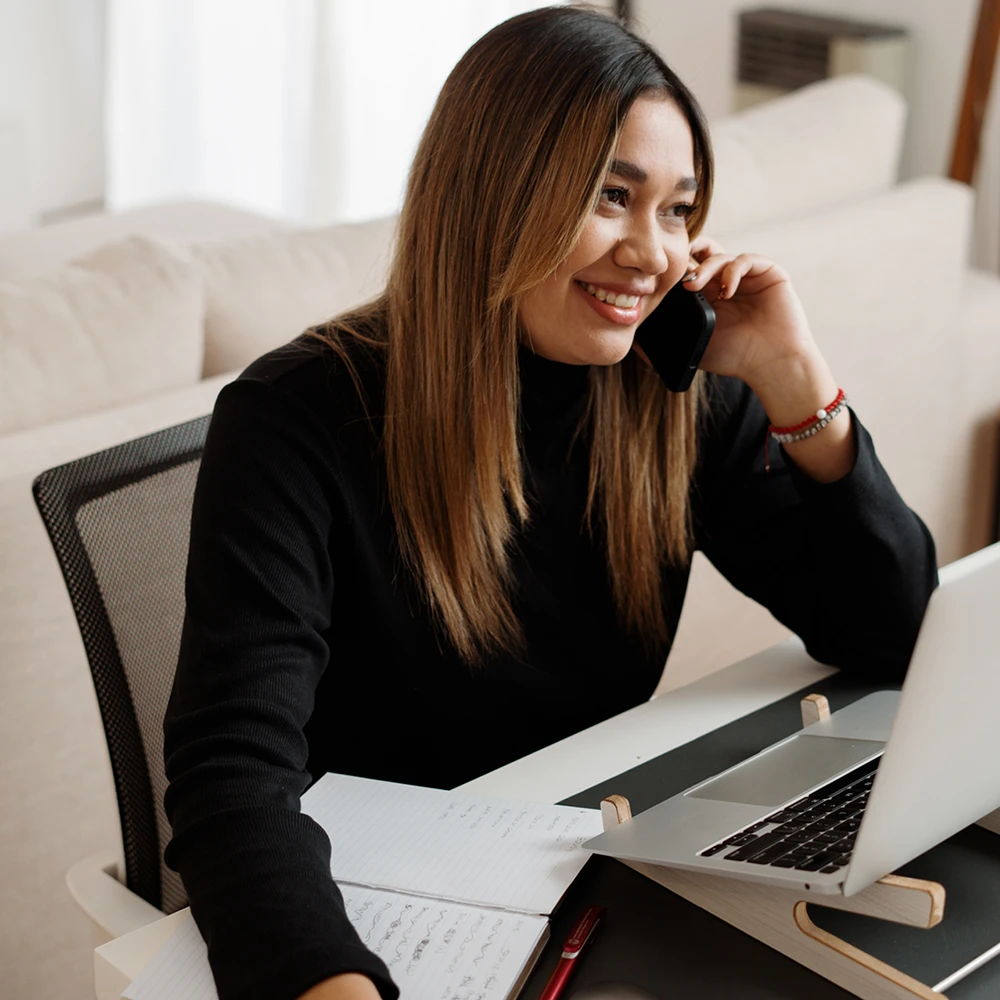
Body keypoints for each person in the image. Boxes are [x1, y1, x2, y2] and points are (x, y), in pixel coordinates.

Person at [162, 6, 938, 1000]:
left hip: (587, 878)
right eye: (613, 196)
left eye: (676, 209)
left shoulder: (676, 392)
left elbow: (893, 630)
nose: (653, 253)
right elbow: (230, 771)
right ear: (494, 192)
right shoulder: (296, 418)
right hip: (360, 907)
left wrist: (800, 390)